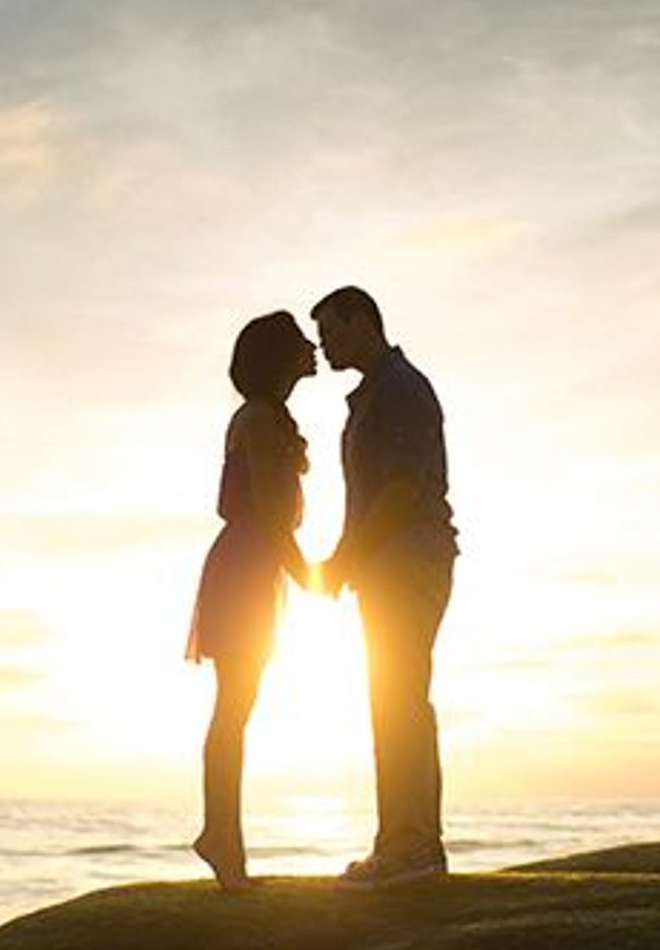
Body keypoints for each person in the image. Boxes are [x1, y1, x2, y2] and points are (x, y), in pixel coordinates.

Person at [311, 286, 458, 889]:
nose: (324, 346)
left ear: (363, 321)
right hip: (388, 562)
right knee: (393, 701)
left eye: (332, 332)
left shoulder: (400, 389)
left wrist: (345, 558)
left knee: (400, 702)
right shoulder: (376, 393)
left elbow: (399, 491)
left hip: (407, 559)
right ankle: (404, 844)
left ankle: (411, 848)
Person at [185, 310, 321, 891]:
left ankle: (224, 838)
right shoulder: (260, 419)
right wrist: (315, 578)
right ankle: (221, 839)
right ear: (279, 357)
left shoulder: (267, 417)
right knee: (234, 708)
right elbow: (269, 511)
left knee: (237, 707)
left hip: (253, 566)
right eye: (300, 343)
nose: (312, 348)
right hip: (246, 567)